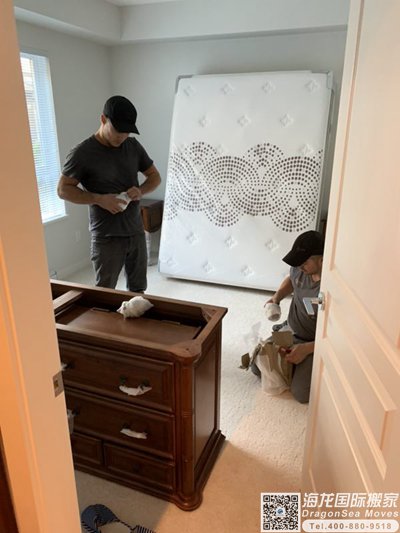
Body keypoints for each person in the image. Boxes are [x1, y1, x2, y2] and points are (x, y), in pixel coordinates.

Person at [57, 95, 161, 293]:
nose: (122, 136)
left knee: (138, 291)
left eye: (127, 132)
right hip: (106, 237)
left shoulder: (133, 146)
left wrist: (140, 190)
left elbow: (155, 177)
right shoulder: (82, 153)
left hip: (136, 231)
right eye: (118, 130)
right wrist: (99, 199)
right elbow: (63, 189)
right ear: (103, 119)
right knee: (105, 294)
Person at [253, 230, 324, 403]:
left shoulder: (331, 288)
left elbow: (337, 337)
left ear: (322, 260)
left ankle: (306, 363)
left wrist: (306, 349)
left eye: (305, 262)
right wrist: (276, 297)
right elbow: (291, 280)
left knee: (301, 394)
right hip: (292, 329)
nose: (300, 267)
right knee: (257, 366)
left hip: (314, 342)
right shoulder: (300, 270)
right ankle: (294, 363)